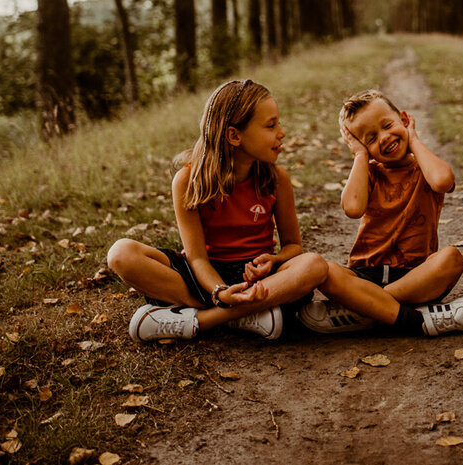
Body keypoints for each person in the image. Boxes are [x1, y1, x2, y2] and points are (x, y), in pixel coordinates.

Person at [107, 79, 328, 342]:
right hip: (202, 277)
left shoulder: (276, 179)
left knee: (314, 266)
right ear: (234, 135)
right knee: (121, 253)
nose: (281, 132)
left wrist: (275, 260)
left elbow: (293, 247)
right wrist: (219, 292)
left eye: (278, 123)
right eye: (271, 125)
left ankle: (200, 320)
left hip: (257, 280)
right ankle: (243, 315)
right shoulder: (188, 180)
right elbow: (197, 258)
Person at [297, 89, 463, 336]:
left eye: (387, 126)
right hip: (365, 274)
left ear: (404, 120)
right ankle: (407, 315)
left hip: (414, 277)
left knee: (451, 258)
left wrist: (413, 139)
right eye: (371, 138)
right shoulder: (371, 173)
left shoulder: (425, 169)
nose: (384, 138)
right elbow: (352, 208)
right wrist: (360, 156)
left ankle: (365, 309)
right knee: (326, 270)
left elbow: (442, 181)